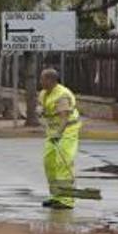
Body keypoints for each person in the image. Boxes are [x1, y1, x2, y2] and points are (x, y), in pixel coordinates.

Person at [39, 68, 81, 210]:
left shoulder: (62, 94)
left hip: (67, 131)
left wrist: (59, 133)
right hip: (53, 132)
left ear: (51, 80)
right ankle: (56, 196)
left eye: (43, 79)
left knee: (63, 163)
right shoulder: (44, 93)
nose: (41, 82)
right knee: (49, 163)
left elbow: (64, 117)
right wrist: (42, 112)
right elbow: (47, 110)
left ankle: (66, 199)